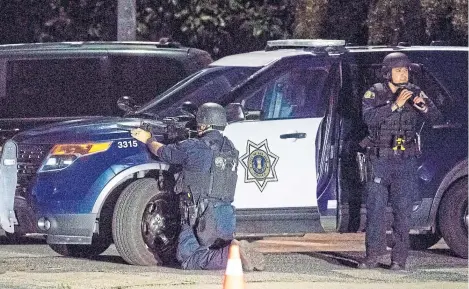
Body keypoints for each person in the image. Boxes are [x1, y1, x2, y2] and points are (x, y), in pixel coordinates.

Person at [131, 102, 265, 271]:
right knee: (213, 246)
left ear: (202, 125)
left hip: (198, 216)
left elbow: (163, 152)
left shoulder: (194, 146)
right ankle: (232, 248)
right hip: (224, 217)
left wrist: (149, 139)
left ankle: (233, 255)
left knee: (189, 258)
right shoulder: (230, 148)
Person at [358, 52, 441, 270]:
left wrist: (423, 106)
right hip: (380, 159)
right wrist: (394, 105)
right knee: (375, 210)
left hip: (405, 160)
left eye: (405, 70)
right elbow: (368, 118)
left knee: (402, 211)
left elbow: (436, 118)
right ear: (387, 73)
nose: (403, 74)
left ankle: (399, 259)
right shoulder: (374, 92)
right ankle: (372, 256)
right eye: (398, 70)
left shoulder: (415, 92)